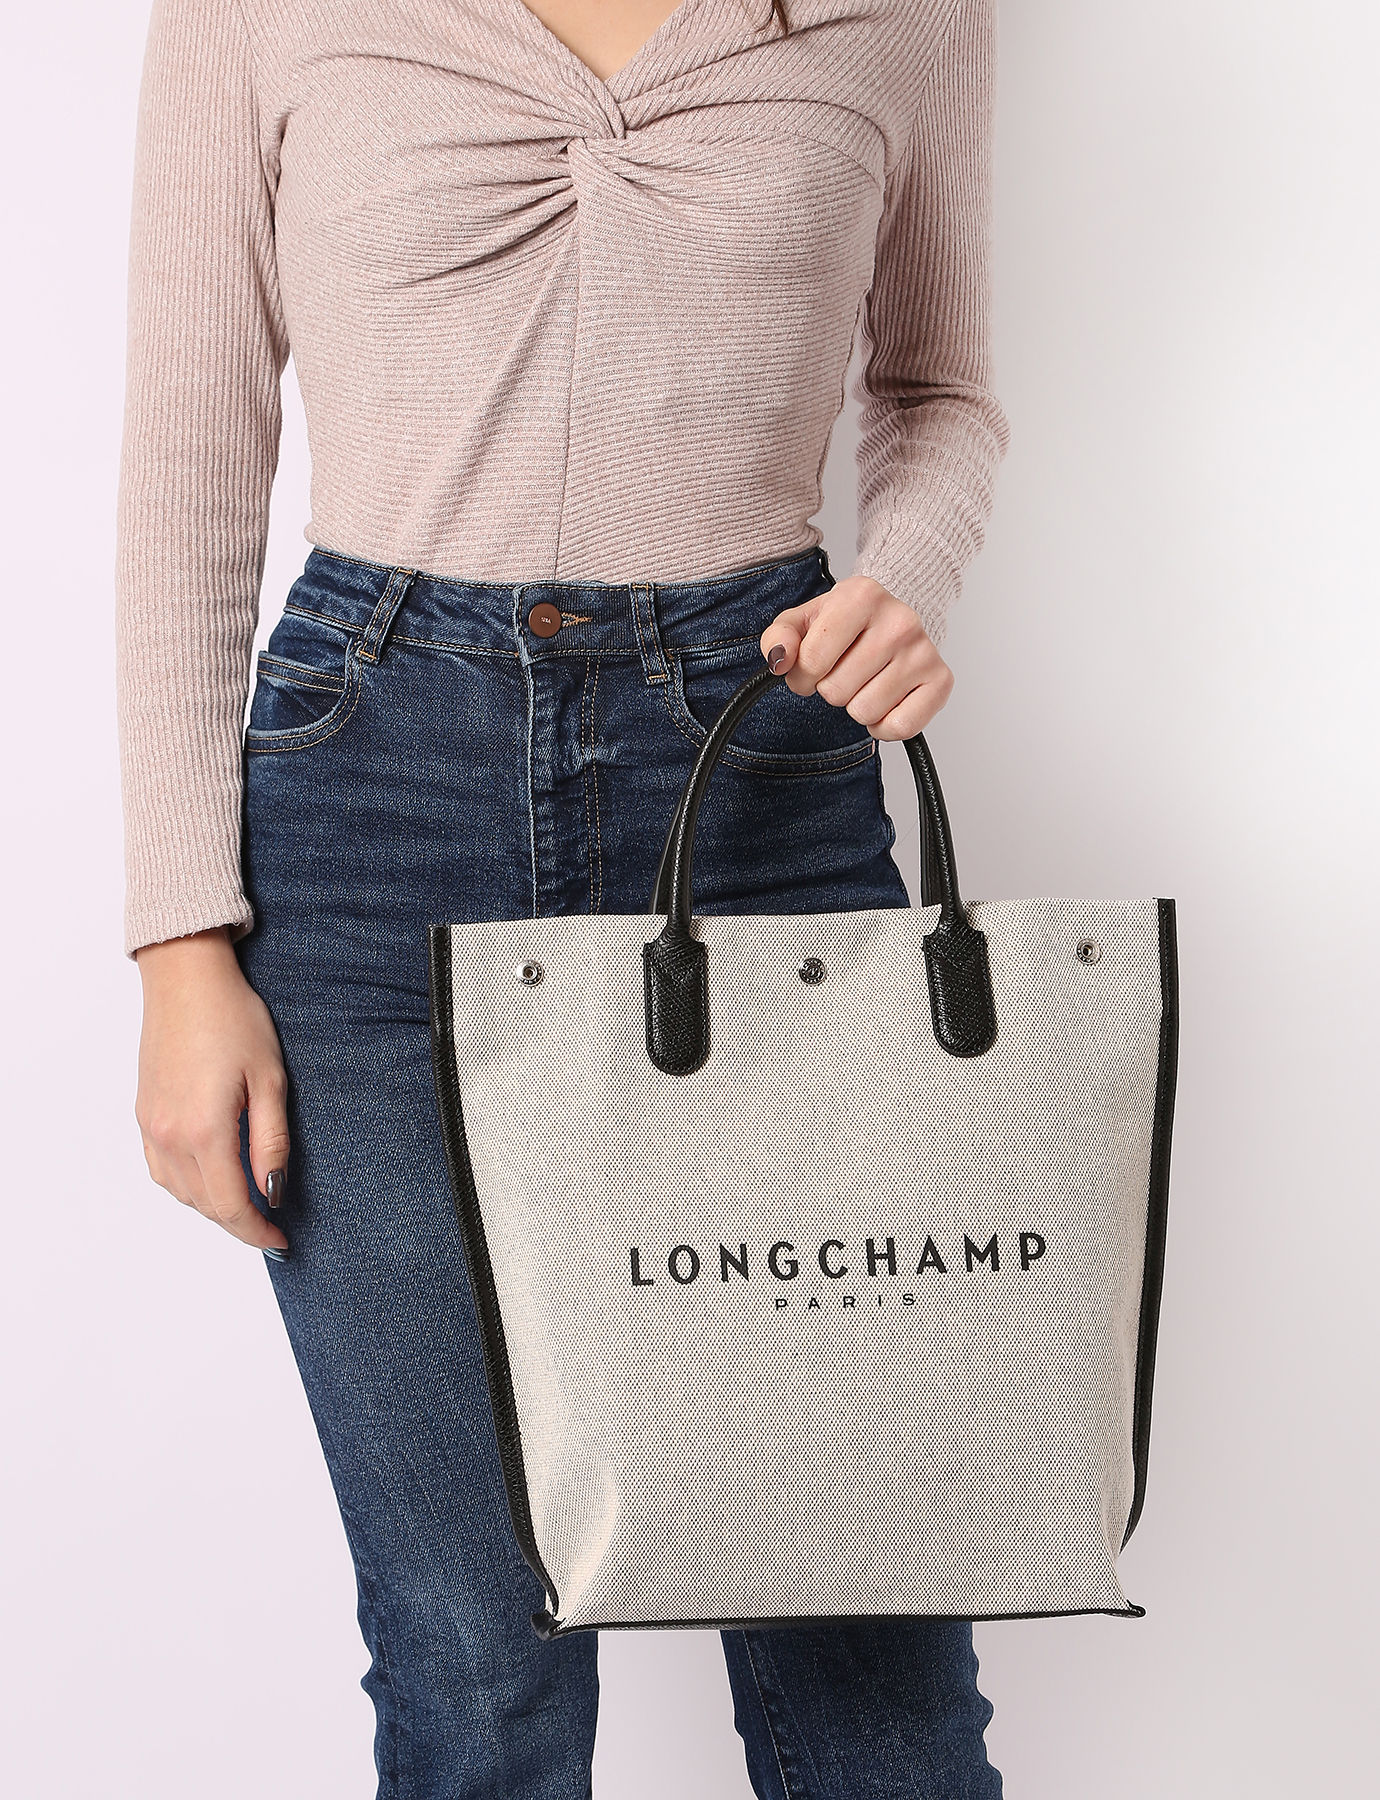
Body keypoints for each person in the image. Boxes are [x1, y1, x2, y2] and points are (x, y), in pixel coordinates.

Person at [116, 0, 1011, 1792]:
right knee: (476, 1662)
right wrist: (178, 943)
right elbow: (189, 458)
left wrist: (907, 576)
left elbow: (939, 394)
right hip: (371, 811)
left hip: (763, 791)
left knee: (872, 1660)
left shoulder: (909, 14)